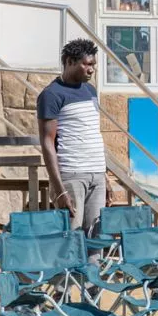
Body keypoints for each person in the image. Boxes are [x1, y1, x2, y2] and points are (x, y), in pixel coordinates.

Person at [37, 38, 110, 256]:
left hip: (96, 173)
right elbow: (47, 142)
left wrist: (105, 176)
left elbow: (91, 133)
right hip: (72, 175)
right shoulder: (51, 94)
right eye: (86, 64)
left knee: (96, 239)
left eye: (93, 65)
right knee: (70, 239)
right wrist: (58, 188)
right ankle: (62, 290)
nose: (91, 69)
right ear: (69, 61)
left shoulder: (90, 91)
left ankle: (91, 288)